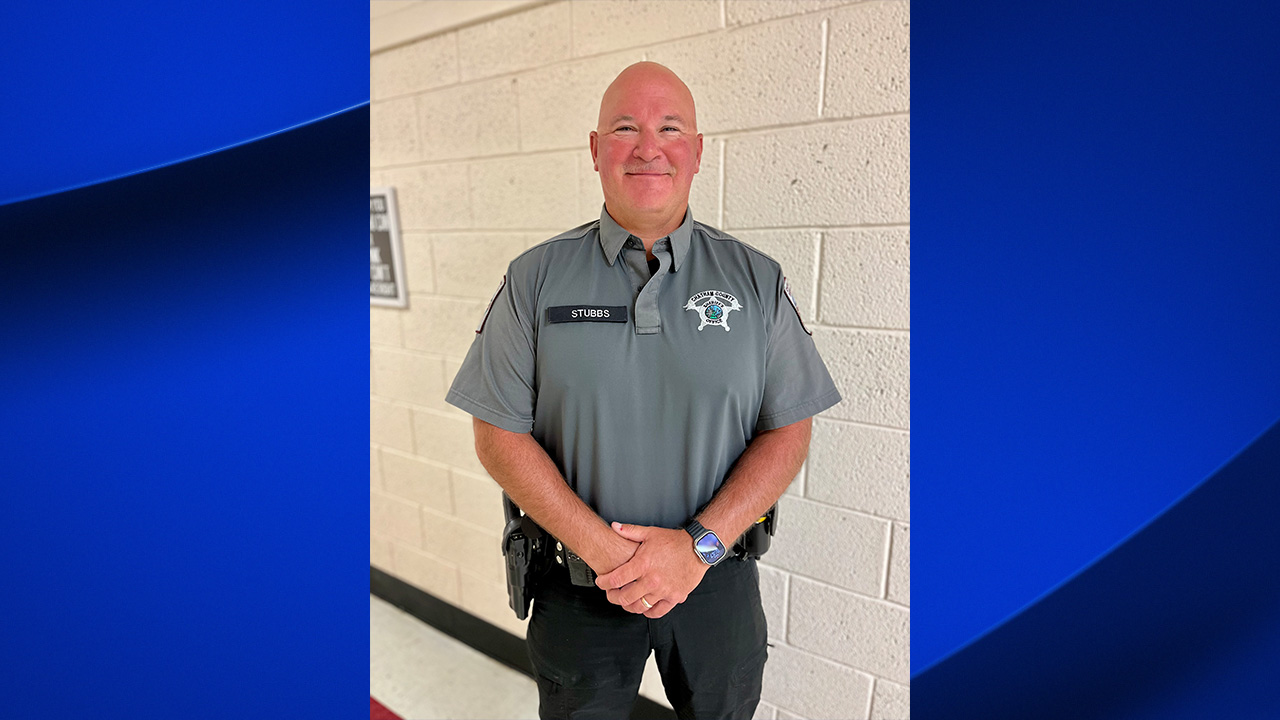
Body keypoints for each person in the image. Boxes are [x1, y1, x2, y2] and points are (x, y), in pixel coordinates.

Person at [445, 62, 840, 720]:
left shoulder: (755, 280)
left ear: (697, 151)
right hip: (579, 590)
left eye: (670, 128)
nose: (648, 147)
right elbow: (497, 435)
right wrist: (607, 554)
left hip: (716, 581)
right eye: (625, 128)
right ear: (596, 150)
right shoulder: (535, 279)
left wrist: (696, 548)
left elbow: (789, 429)